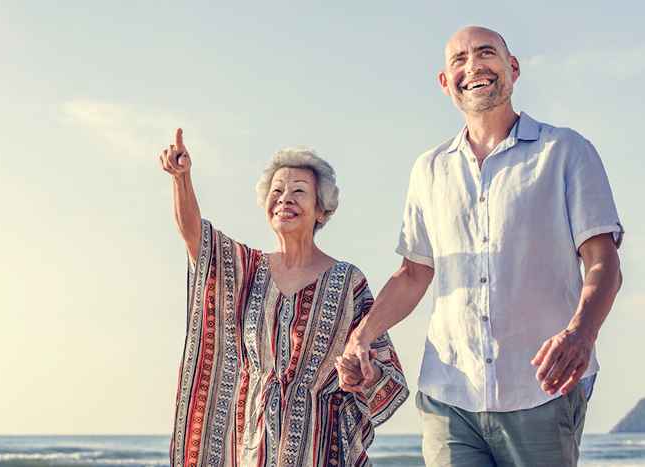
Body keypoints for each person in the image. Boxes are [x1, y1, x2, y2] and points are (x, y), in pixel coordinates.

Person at [337, 26, 623, 466]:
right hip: (449, 396)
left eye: (486, 53)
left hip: (542, 392)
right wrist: (361, 338)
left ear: (512, 68)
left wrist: (581, 334)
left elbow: (603, 262)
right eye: (459, 60)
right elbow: (414, 272)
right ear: (444, 82)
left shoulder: (566, 152)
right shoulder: (428, 169)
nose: (473, 67)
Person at [159, 129, 409, 467]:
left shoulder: (347, 280)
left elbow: (382, 369)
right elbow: (196, 238)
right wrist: (181, 179)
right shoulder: (247, 269)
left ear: (322, 211)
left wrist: (358, 374)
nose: (285, 198)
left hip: (321, 447)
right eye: (277, 191)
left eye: (299, 192)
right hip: (252, 444)